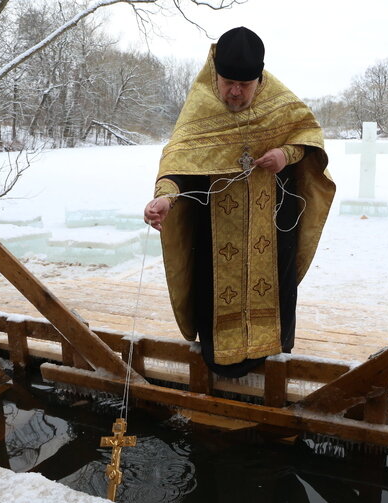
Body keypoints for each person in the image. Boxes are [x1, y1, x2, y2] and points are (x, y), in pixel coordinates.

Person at [143, 27, 335, 378]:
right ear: (215, 74)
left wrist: (285, 154)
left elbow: (309, 137)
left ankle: (273, 359)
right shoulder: (201, 106)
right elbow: (179, 163)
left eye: (244, 85)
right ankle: (222, 363)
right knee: (214, 294)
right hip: (214, 231)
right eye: (228, 82)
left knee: (276, 294)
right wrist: (166, 197)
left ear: (259, 79)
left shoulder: (281, 101)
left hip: (272, 227)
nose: (234, 92)